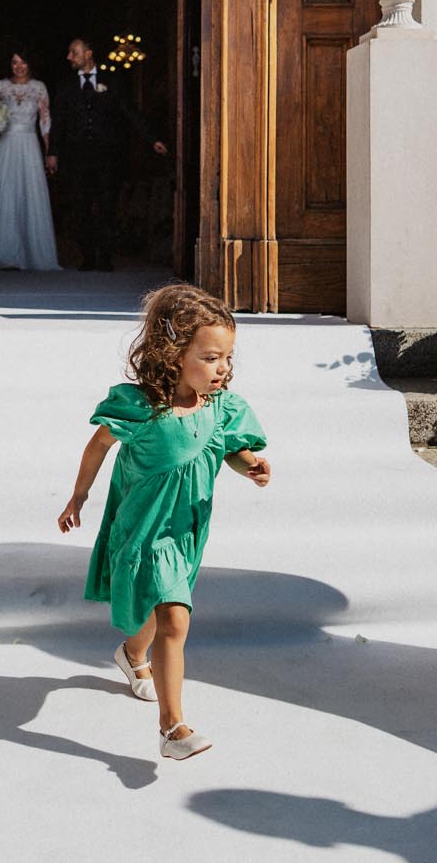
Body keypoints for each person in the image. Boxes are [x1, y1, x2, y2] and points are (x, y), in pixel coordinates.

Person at [58, 283, 271, 760]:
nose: (223, 369)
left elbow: (230, 449)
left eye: (227, 359)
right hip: (142, 529)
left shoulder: (222, 410)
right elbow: (98, 445)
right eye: (211, 357)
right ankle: (172, 729)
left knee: (160, 612)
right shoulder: (140, 408)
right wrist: (78, 496)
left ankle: (133, 655)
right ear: (173, 354)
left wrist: (250, 464)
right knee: (174, 618)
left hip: (185, 530)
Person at [45, 37, 167, 272]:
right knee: (80, 207)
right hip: (76, 155)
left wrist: (153, 139)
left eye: (74, 52)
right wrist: (53, 153)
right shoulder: (66, 85)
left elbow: (130, 113)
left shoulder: (112, 81)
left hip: (107, 156)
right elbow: (58, 121)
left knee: (107, 206)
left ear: (88, 53)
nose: (69, 57)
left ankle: (105, 256)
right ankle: (88, 256)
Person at [0, 50, 60, 271]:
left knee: (30, 192)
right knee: (6, 192)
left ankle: (34, 253)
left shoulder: (39, 87)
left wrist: (49, 151)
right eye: (14, 62)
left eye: (23, 62)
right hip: (6, 144)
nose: (19, 66)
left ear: (30, 64)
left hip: (29, 144)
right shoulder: (0, 87)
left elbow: (45, 121)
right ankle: (5, 253)